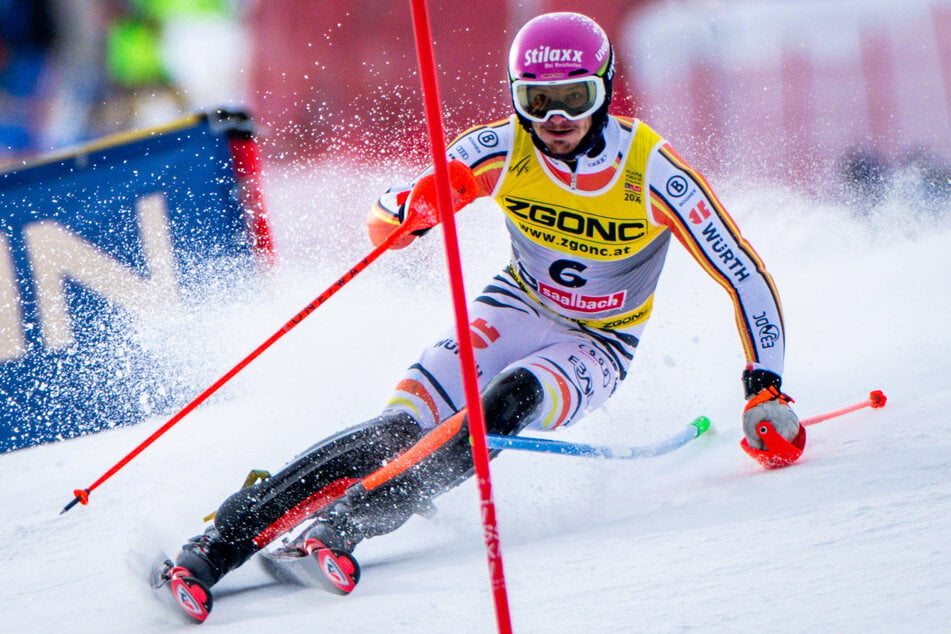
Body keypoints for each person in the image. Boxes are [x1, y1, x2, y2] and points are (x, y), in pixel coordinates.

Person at [161, 11, 802, 612]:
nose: (553, 118)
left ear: (604, 91)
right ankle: (220, 542)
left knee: (505, 400)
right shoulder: (501, 148)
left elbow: (743, 272)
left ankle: (346, 523)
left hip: (597, 343)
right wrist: (412, 209)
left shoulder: (652, 172)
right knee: (398, 433)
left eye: (573, 99)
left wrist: (764, 388)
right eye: (535, 100)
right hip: (515, 306)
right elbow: (385, 213)